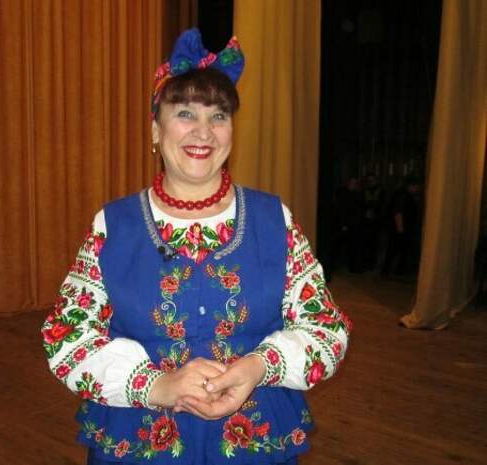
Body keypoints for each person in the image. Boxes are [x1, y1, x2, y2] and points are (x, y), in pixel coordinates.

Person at [42, 29, 351, 465]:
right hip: (139, 443)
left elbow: (326, 329)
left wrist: (258, 367)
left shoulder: (272, 218)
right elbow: (66, 337)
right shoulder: (113, 225)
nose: (203, 132)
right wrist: (156, 386)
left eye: (218, 116)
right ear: (156, 129)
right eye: (185, 113)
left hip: (254, 440)